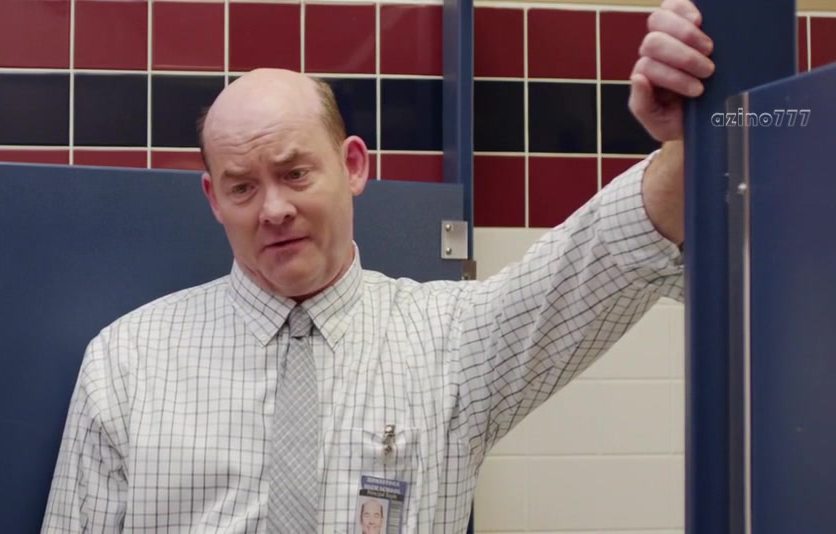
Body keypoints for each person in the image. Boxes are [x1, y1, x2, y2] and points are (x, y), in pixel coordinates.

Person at [41, 0, 715, 531]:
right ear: (214, 199)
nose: (273, 209)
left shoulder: (453, 342)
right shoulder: (127, 363)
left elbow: (606, 253)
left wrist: (694, 138)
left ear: (354, 166)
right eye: (242, 187)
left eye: (296, 173)